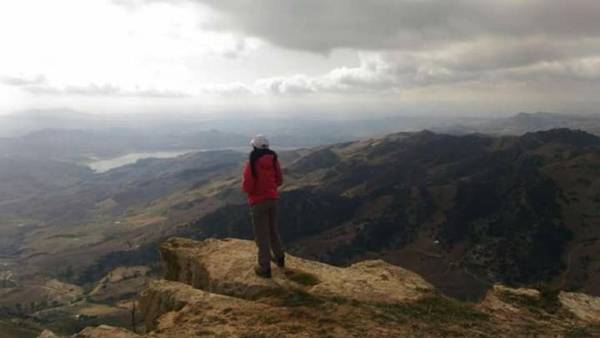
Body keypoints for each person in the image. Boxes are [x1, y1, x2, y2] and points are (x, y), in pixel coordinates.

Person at [241, 134, 285, 278]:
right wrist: (270, 188)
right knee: (273, 230)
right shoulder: (274, 160)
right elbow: (280, 180)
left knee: (262, 235)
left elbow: (247, 186)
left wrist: (256, 192)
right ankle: (279, 258)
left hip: (258, 202)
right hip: (272, 199)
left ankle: (264, 267)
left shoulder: (252, 163)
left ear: (254, 147)